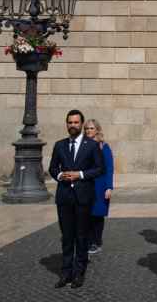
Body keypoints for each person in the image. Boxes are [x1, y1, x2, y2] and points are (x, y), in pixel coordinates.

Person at [48, 109, 105, 289]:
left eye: (75, 122)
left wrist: (79, 174)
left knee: (81, 236)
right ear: (67, 124)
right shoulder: (59, 145)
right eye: (70, 123)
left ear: (81, 124)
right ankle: (66, 272)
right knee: (67, 236)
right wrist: (60, 176)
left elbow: (99, 169)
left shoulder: (91, 145)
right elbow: (52, 168)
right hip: (64, 197)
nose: (72, 125)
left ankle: (79, 272)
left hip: (83, 197)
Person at [85, 119, 114, 255]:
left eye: (91, 128)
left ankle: (96, 241)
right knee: (86, 214)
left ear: (97, 130)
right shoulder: (83, 145)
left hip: (100, 185)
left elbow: (109, 168)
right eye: (86, 128)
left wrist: (109, 187)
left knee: (97, 215)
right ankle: (88, 240)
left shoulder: (104, 147)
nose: (88, 131)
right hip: (86, 185)